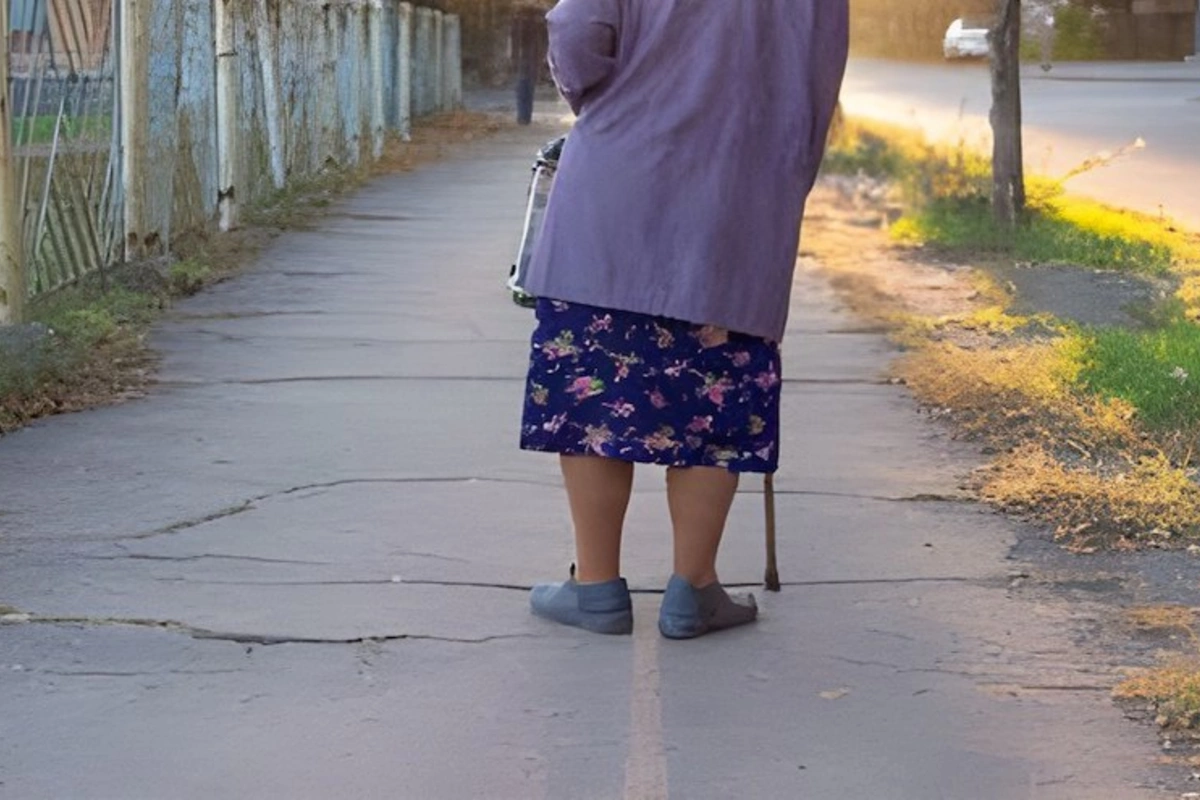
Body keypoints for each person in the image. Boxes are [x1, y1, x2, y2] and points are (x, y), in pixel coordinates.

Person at [519, 0, 849, 639]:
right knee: (714, 397)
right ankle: (693, 588)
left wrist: (601, 100)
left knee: (593, 392)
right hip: (742, 199)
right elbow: (817, 84)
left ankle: (597, 587)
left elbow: (576, 28)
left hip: (618, 185)